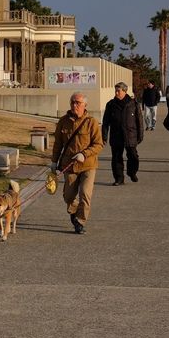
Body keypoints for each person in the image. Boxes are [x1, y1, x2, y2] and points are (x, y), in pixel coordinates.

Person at [51, 92, 103, 234]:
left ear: (85, 105)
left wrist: (84, 154)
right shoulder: (63, 121)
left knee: (85, 194)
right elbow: (58, 144)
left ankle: (80, 222)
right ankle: (73, 212)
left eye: (78, 103)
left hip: (88, 165)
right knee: (68, 196)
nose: (75, 105)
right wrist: (54, 162)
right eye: (72, 102)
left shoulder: (91, 122)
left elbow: (99, 144)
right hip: (70, 165)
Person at [101, 81, 144, 185]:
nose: (116, 93)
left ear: (125, 91)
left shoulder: (133, 104)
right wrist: (104, 136)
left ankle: (132, 172)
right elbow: (105, 122)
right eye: (115, 91)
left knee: (133, 156)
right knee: (116, 158)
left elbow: (139, 121)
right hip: (116, 135)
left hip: (130, 135)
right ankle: (119, 179)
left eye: (118, 91)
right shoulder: (111, 104)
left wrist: (140, 135)